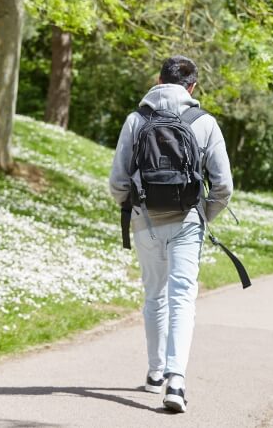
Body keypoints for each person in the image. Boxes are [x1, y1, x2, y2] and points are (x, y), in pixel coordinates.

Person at [109, 56, 233, 413]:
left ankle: (154, 373)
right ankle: (176, 381)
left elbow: (118, 182)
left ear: (158, 80)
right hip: (187, 222)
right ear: (192, 87)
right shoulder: (204, 122)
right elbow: (223, 187)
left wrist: (134, 207)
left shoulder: (136, 120)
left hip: (145, 221)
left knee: (154, 297)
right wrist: (201, 216)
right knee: (182, 299)